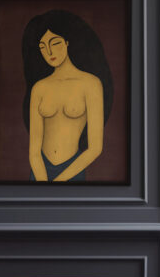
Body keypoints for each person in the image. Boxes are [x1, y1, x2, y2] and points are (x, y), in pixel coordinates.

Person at [21, 9, 114, 182]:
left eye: (55, 43)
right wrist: (42, 183)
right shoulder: (39, 88)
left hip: (73, 170)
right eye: (43, 47)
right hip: (39, 171)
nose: (49, 52)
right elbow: (34, 151)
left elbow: (95, 148)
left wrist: (60, 181)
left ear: (67, 42)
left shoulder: (91, 84)